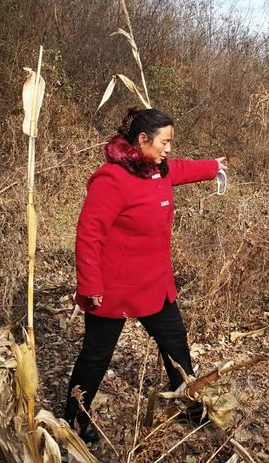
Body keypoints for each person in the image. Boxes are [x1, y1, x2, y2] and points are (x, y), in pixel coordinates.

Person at [64, 107, 226, 443]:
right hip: (113, 289)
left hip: (155, 285)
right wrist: (90, 284)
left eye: (170, 142)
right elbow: (88, 234)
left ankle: (189, 405)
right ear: (142, 140)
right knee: (96, 357)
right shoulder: (112, 179)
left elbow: (179, 169)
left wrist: (213, 168)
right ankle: (74, 420)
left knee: (176, 345)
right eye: (164, 142)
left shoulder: (158, 169)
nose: (168, 149)